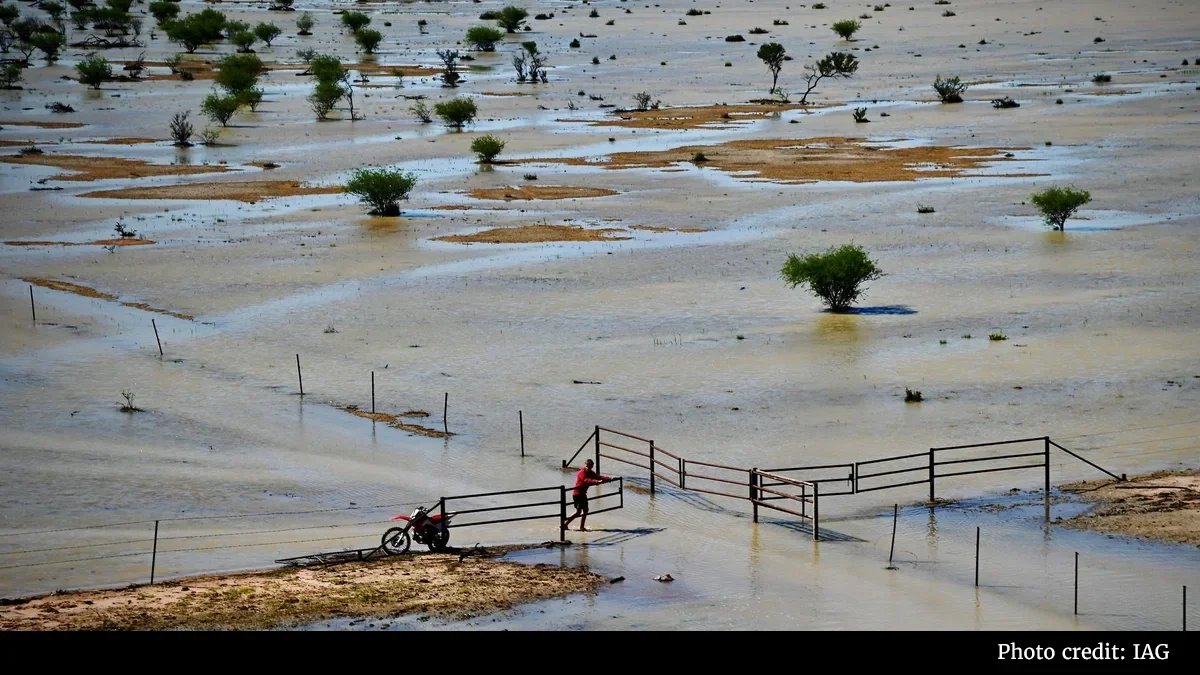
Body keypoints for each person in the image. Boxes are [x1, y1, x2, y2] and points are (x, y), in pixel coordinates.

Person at [563, 459, 612, 532]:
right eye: (587, 466)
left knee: (585, 511)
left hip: (583, 494)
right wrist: (596, 482)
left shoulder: (590, 472)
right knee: (578, 512)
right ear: (585, 465)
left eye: (590, 467)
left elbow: (598, 477)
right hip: (578, 494)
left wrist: (609, 478)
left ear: (592, 467)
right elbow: (586, 480)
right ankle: (565, 524)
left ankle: (581, 527)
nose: (588, 468)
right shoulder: (582, 472)